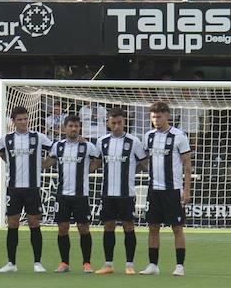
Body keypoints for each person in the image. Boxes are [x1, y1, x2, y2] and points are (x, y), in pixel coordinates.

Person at [134, 99, 192, 276]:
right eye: (153, 117)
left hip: (172, 190)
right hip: (154, 190)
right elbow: (144, 161)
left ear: (167, 116)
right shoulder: (148, 136)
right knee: (152, 227)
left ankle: (179, 265)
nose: (156, 120)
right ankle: (153, 265)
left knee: (177, 227)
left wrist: (187, 190)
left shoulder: (178, 136)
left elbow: (187, 164)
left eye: (158, 117)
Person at [0, 105, 51, 274]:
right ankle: (11, 263)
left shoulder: (38, 137)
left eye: (25, 119)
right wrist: (9, 162)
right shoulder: (6, 139)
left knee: (34, 222)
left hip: (32, 187)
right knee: (12, 223)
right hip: (14, 188)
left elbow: (54, 150)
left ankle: (38, 263)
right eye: (20, 119)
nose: (23, 122)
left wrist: (43, 165)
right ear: (13, 121)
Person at [50, 113, 98, 273]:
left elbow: (98, 159)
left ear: (80, 128)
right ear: (65, 128)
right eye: (70, 126)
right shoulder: (58, 146)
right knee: (62, 228)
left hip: (81, 195)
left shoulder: (88, 146)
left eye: (76, 126)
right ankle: (64, 263)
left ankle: (87, 263)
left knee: (83, 228)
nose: (73, 129)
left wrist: (88, 170)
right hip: (62, 194)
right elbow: (49, 161)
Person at [96, 108, 141, 274]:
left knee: (128, 226)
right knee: (108, 226)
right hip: (107, 193)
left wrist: (130, 172)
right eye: (113, 123)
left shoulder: (133, 141)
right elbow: (97, 162)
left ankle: (130, 265)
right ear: (108, 123)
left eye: (119, 122)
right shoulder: (102, 141)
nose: (116, 126)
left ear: (124, 122)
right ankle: (108, 264)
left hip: (126, 193)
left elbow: (143, 161)